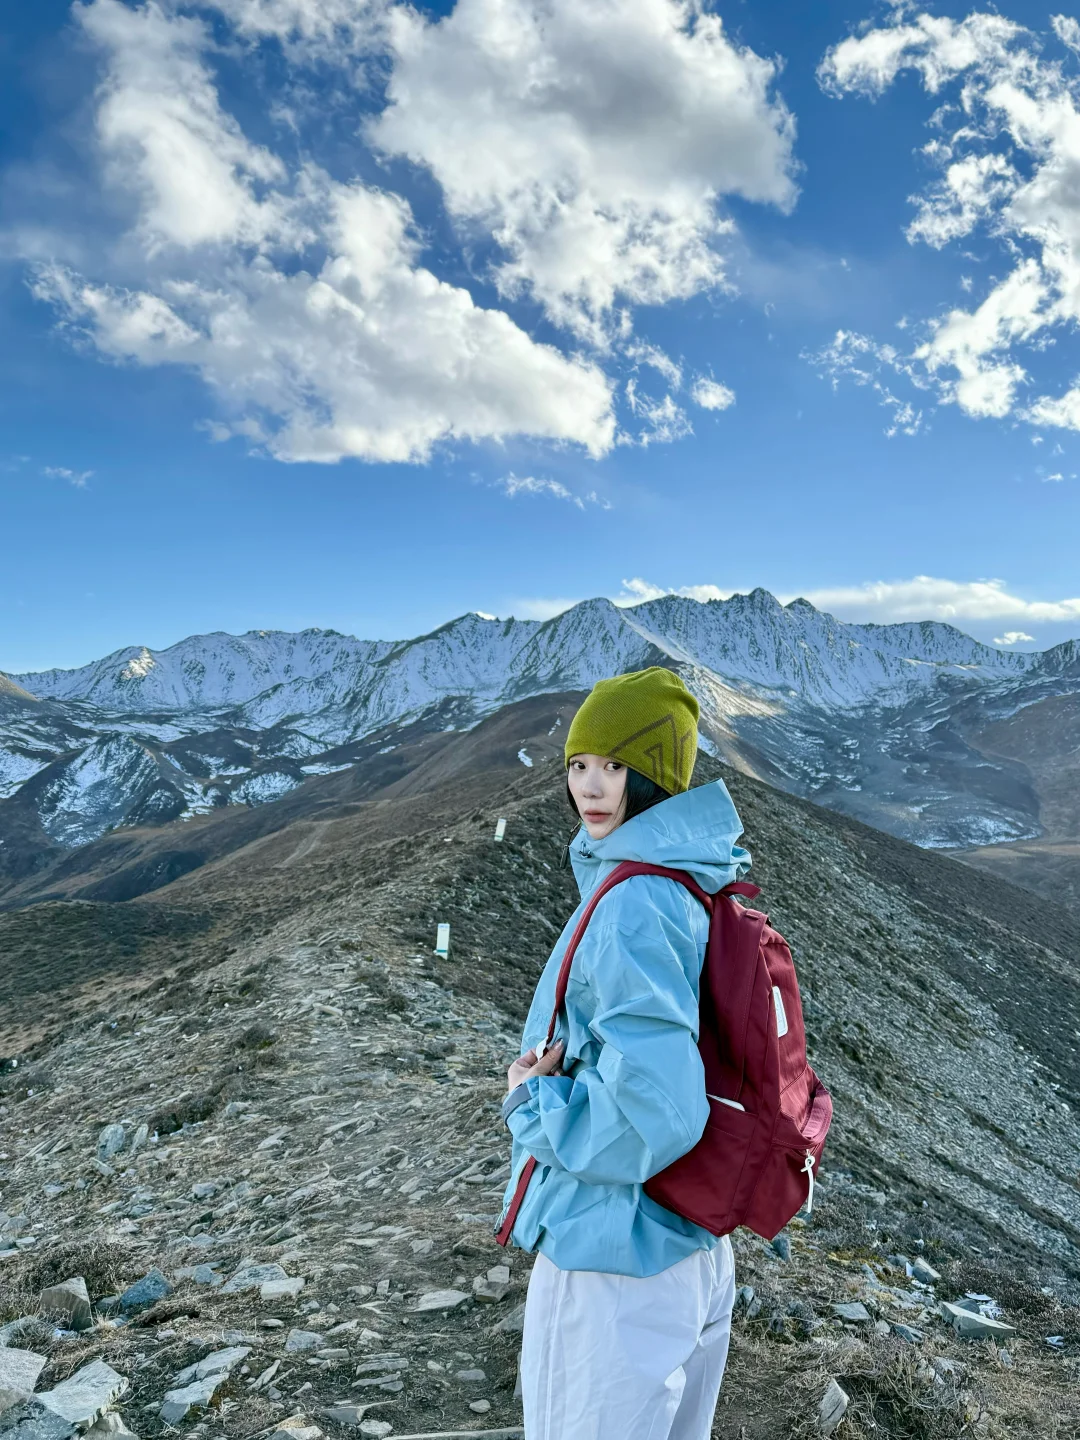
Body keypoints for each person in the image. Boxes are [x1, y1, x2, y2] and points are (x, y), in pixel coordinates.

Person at [497, 667, 753, 1440]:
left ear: (656, 775)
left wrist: (533, 1104)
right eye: (578, 765)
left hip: (614, 1251)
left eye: (615, 766)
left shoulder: (635, 903)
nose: (591, 786)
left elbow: (656, 1108)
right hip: (687, 1241)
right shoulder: (688, 879)